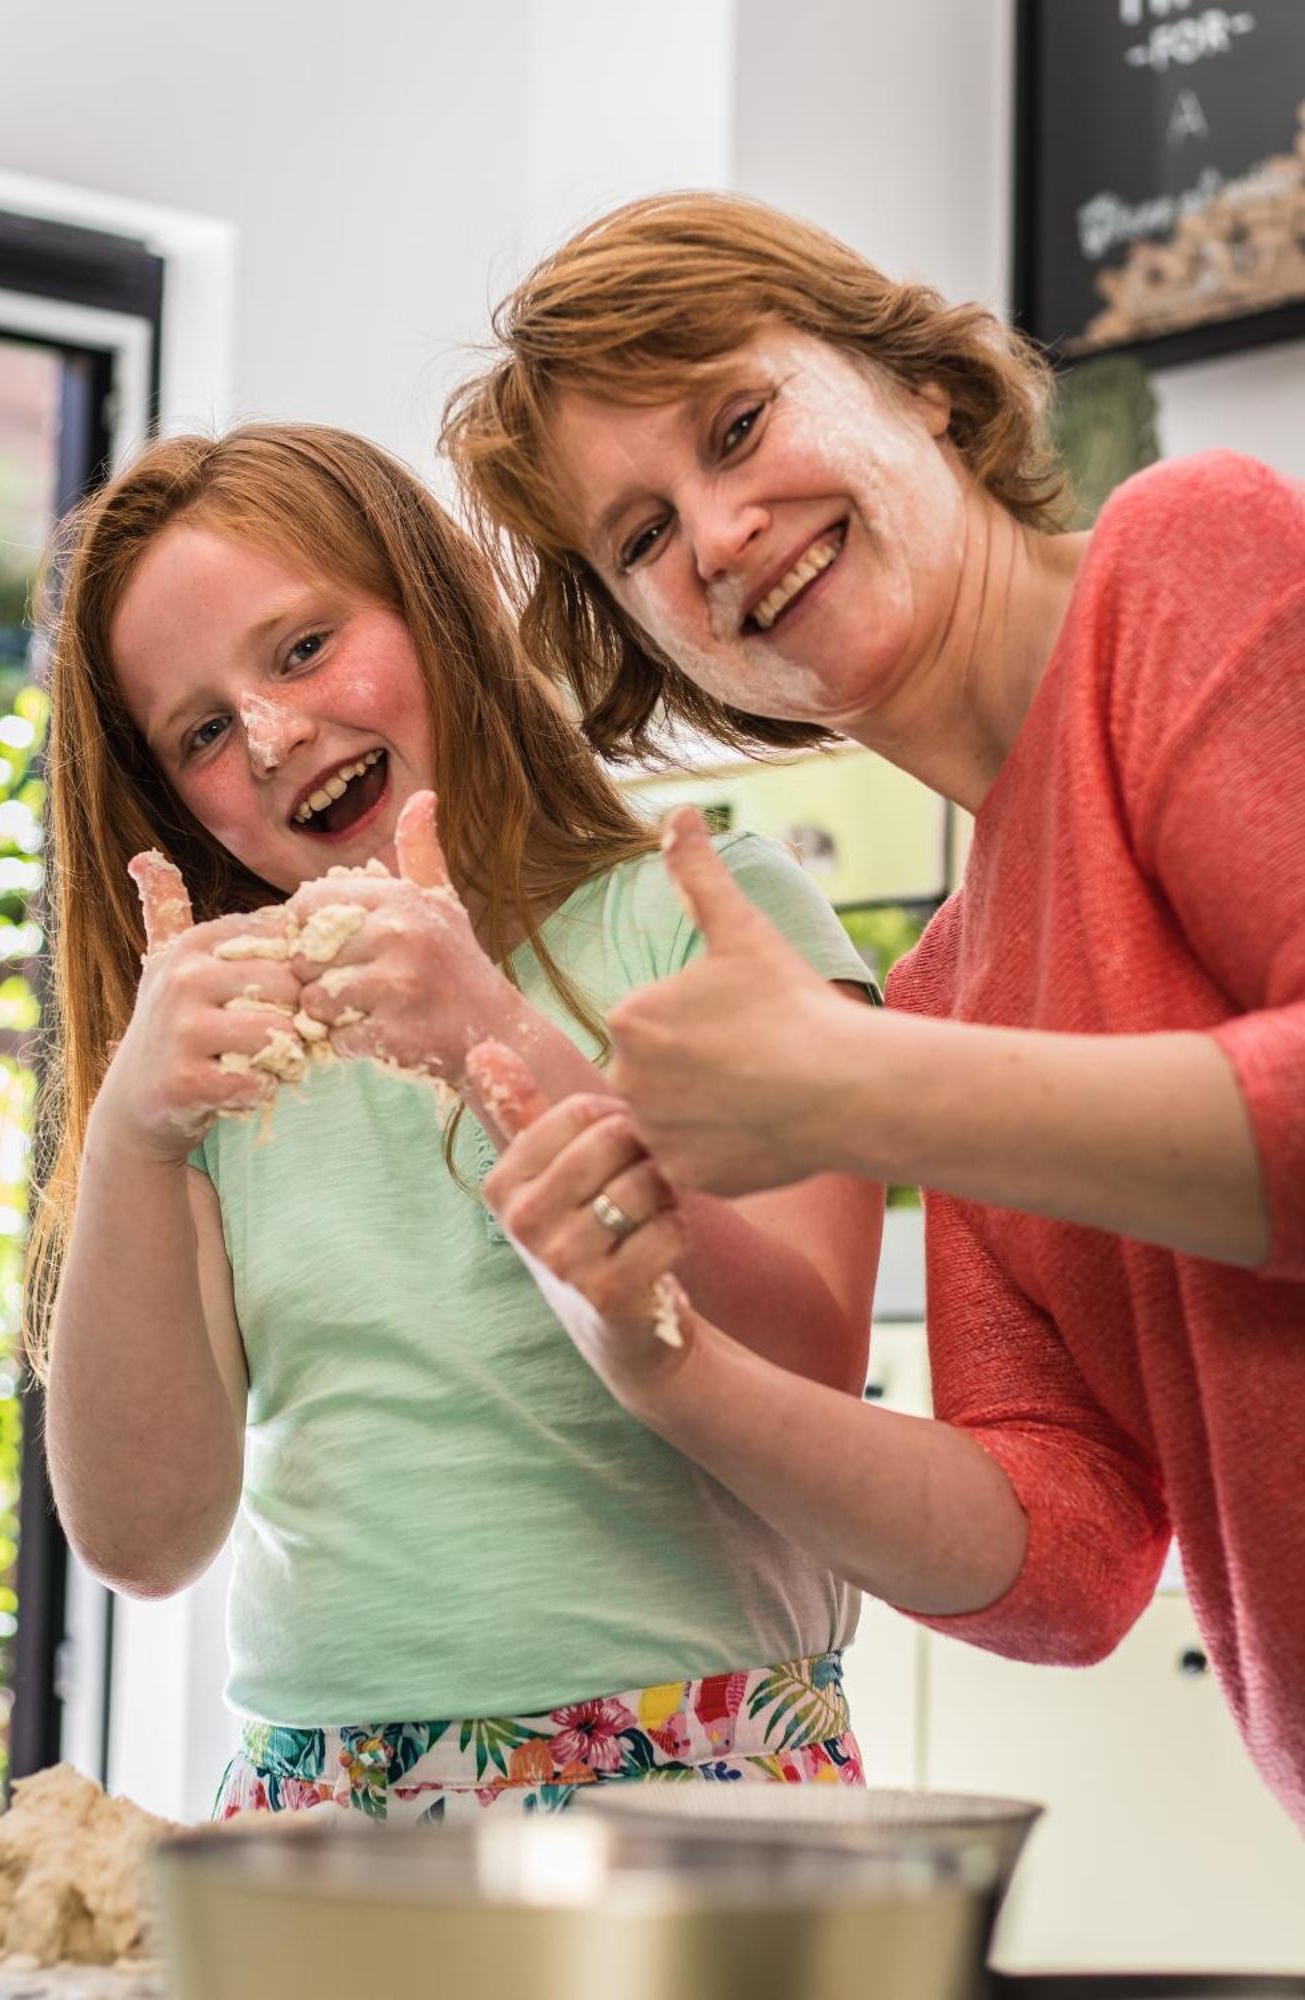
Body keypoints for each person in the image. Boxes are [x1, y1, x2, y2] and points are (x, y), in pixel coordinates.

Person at [441, 192, 1305, 1825]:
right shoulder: (943, 985)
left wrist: (860, 1090)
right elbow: (1063, 1556)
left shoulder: (1189, 560)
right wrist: (664, 1369)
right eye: (636, 539)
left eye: (739, 422)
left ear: (915, 379)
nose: (711, 535)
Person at [31, 421, 885, 1820]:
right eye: (198, 731)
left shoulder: (706, 910)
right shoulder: (229, 1050)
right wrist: (133, 1135)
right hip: (322, 1798)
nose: (272, 732)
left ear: (436, 606)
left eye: (302, 649)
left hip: (701, 1775)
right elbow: (141, 1538)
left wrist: (490, 1030)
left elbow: (805, 1355)